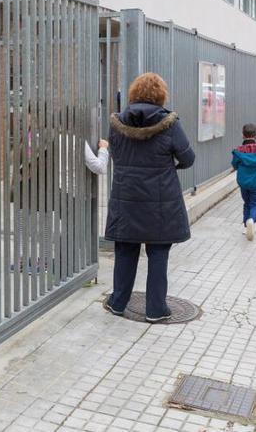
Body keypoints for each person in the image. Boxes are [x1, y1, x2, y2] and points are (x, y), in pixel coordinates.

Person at [103, 72, 195, 323]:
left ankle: (118, 302)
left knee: (125, 251)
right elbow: (188, 158)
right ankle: (156, 309)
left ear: (133, 93)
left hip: (126, 198)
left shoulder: (117, 124)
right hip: (160, 202)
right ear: (161, 95)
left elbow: (115, 156)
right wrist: (166, 168)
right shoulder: (170, 123)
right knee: (158, 254)